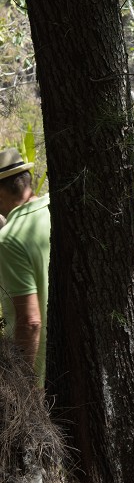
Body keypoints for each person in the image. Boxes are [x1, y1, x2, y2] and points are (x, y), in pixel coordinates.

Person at [0, 147, 51, 387]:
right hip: (80, 359)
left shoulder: (10, 239)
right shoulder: (57, 210)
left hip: (41, 376)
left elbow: (30, 322)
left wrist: (22, 388)